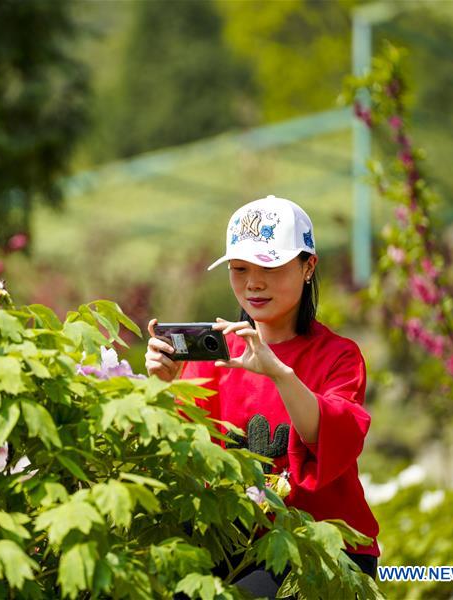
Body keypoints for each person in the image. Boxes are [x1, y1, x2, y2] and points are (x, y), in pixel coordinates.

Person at [145, 195, 380, 597]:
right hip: (230, 542)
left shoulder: (339, 356)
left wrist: (279, 374)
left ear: (308, 267)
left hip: (320, 550)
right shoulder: (214, 356)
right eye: (239, 269)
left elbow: (329, 440)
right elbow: (180, 455)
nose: (253, 283)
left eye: (269, 267)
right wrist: (162, 386)